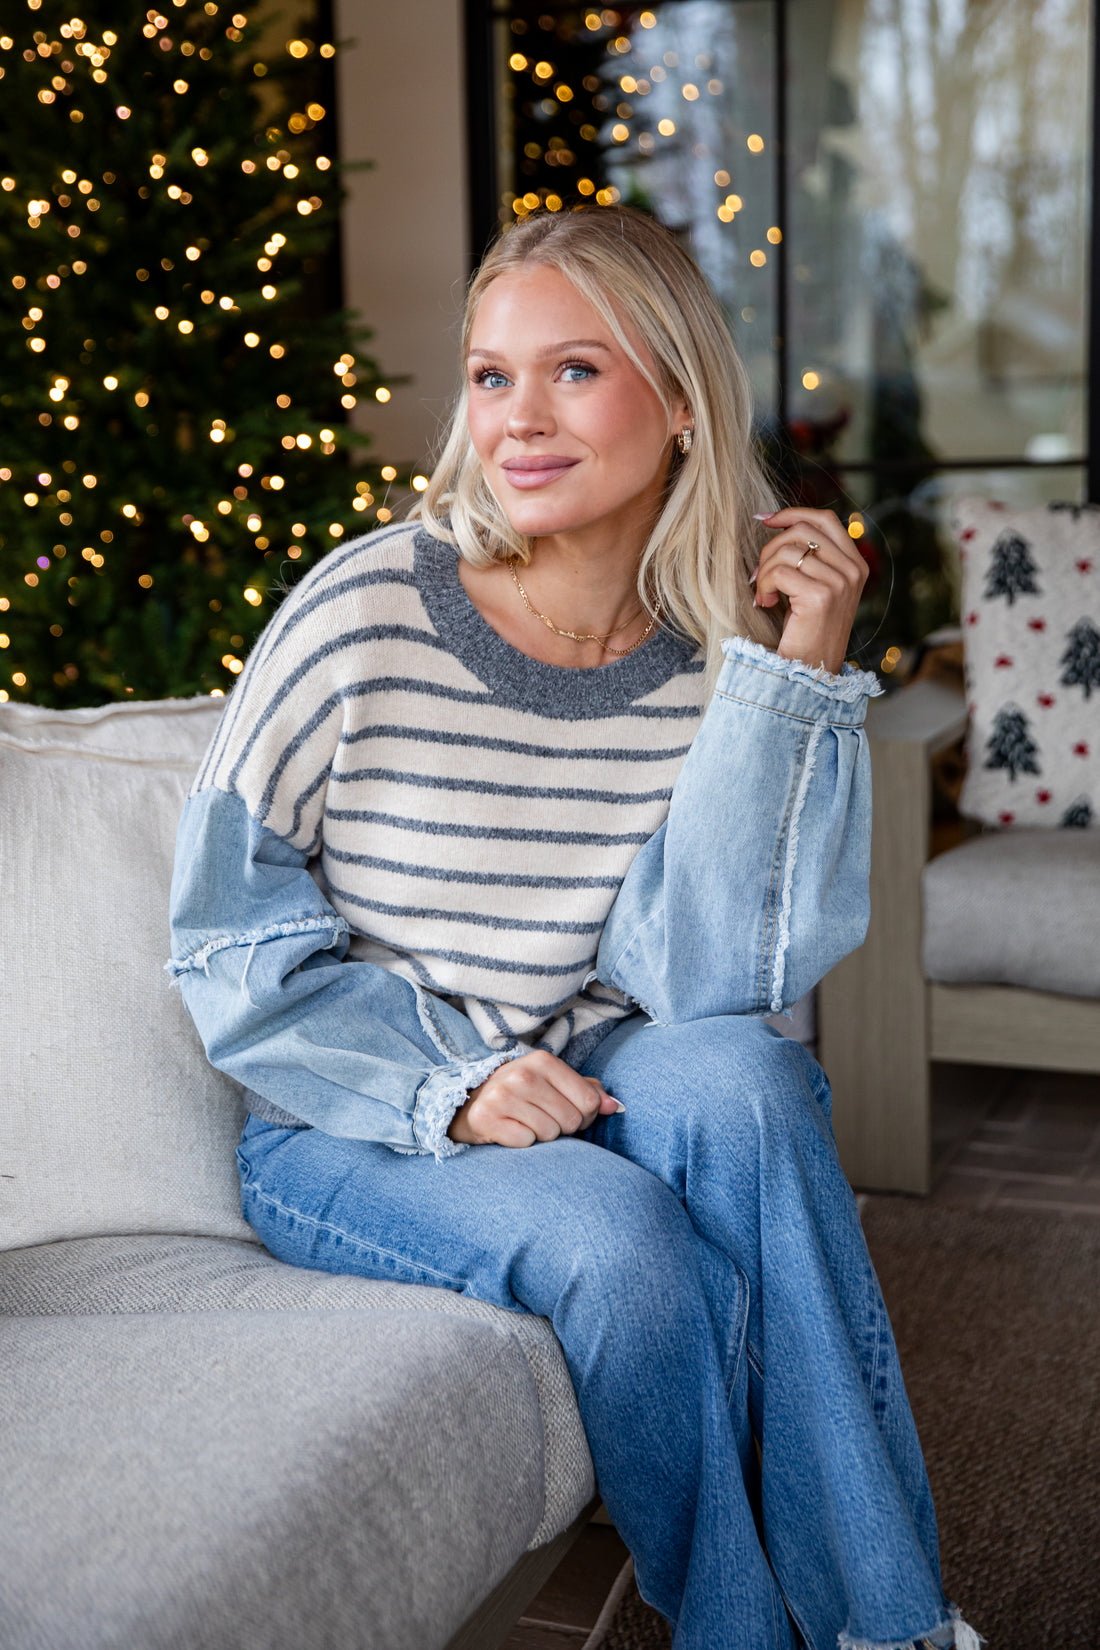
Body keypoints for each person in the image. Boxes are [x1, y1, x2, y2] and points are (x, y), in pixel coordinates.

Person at [167, 206, 977, 1650]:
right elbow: (229, 937)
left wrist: (794, 678)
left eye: (574, 372)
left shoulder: (711, 655)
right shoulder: (364, 610)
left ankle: (886, 1624)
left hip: (595, 1065)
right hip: (348, 1128)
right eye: (490, 376)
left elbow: (713, 982)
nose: (517, 421)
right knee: (620, 1237)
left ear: (678, 400)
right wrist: (450, 1083)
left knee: (746, 1080)